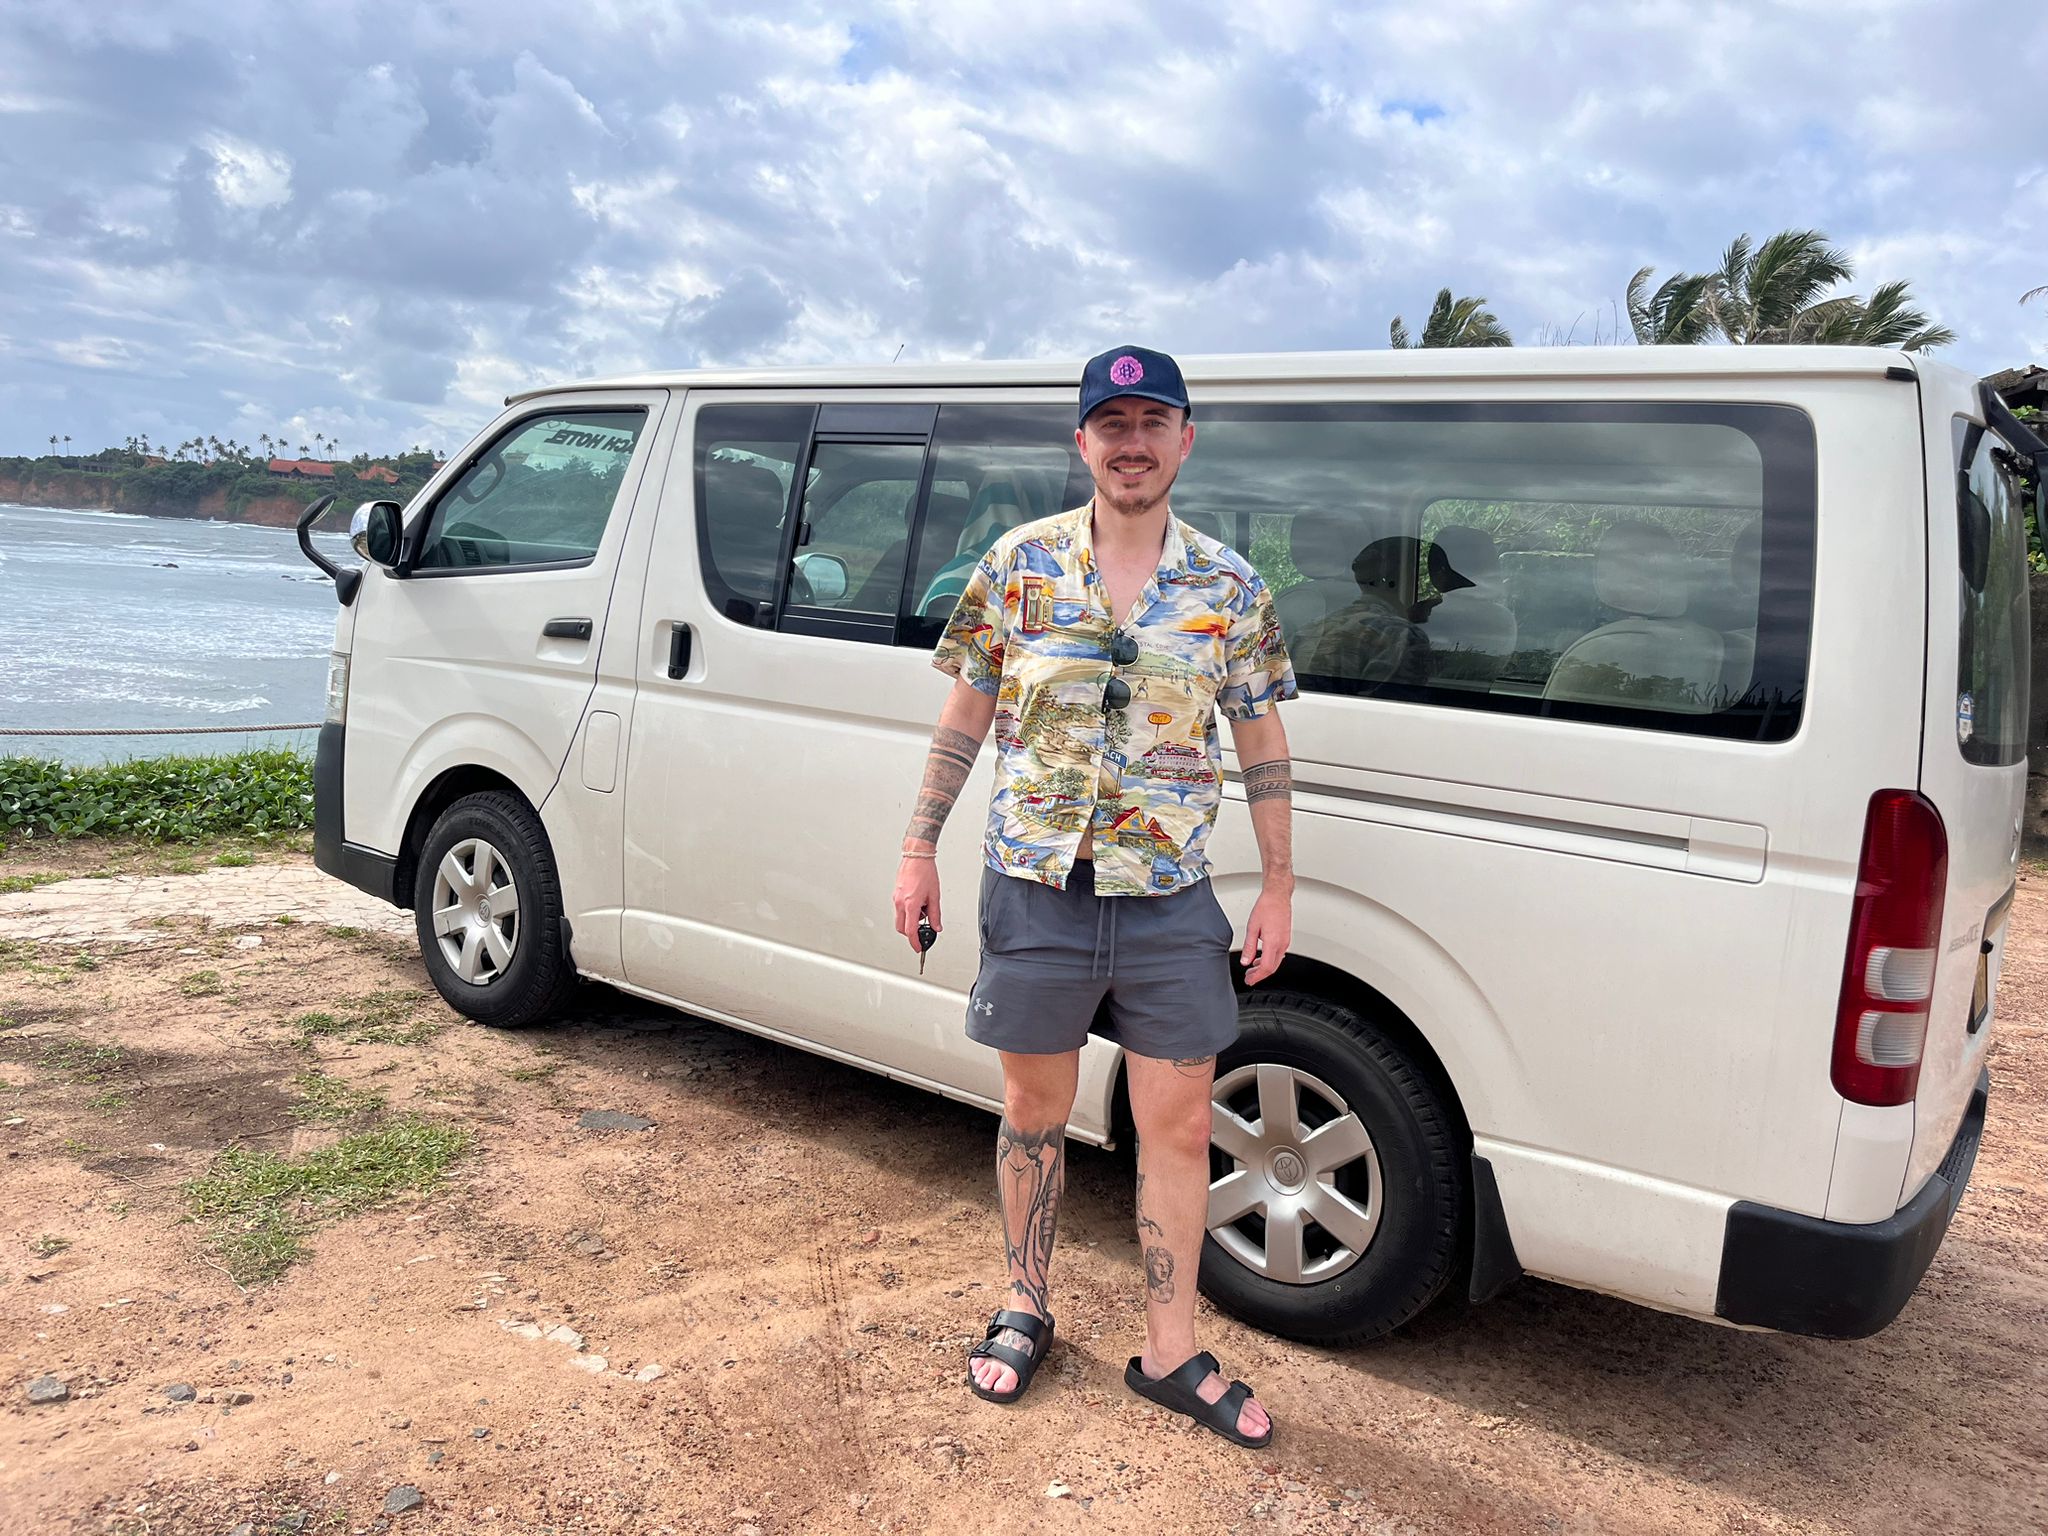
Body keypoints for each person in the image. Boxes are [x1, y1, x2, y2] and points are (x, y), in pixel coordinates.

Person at [891, 345, 1298, 1449]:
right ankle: (1025, 1302)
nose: (1129, 441)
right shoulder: (1017, 567)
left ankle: (1171, 1351)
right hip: (1035, 888)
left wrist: (1277, 884)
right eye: (1108, 422)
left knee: (1173, 1130)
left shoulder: (1228, 589)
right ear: (1081, 443)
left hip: (1169, 900)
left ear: (1182, 440)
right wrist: (916, 849)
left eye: (1150, 420)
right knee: (1031, 1114)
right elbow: (965, 716)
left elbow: (1259, 734)